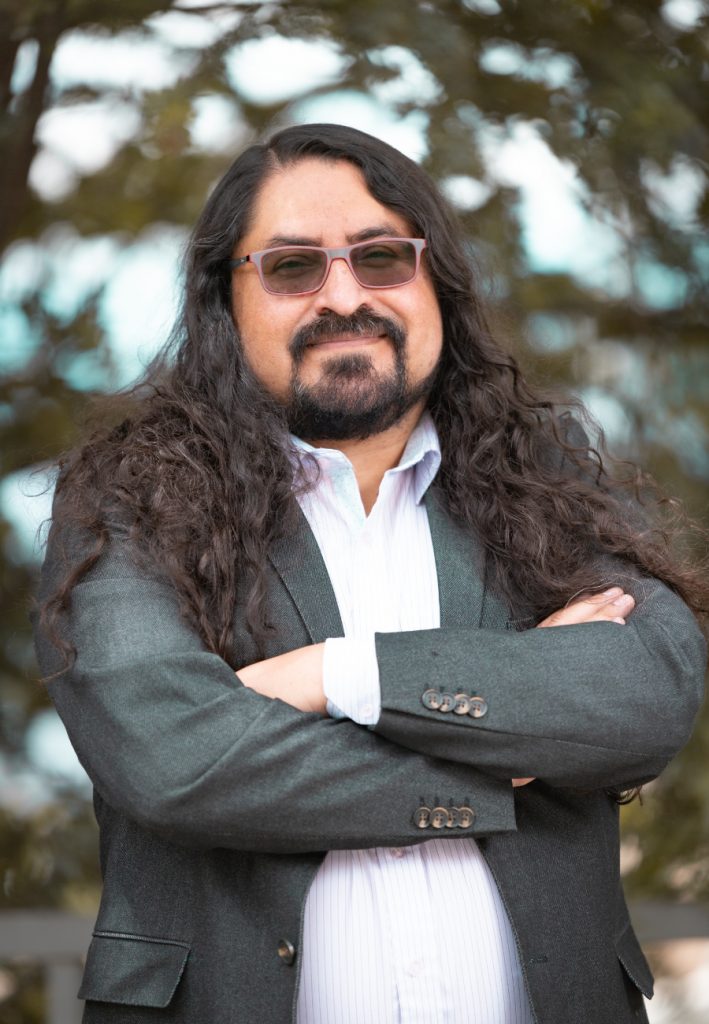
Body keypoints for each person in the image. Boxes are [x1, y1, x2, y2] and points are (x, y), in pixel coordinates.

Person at [34, 123, 706, 1024]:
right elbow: (176, 760)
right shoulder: (131, 497)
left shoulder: (543, 482)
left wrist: (335, 674)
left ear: (436, 282)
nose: (344, 296)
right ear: (224, 301)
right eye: (292, 268)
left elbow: (645, 694)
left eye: (381, 257)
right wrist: (502, 760)